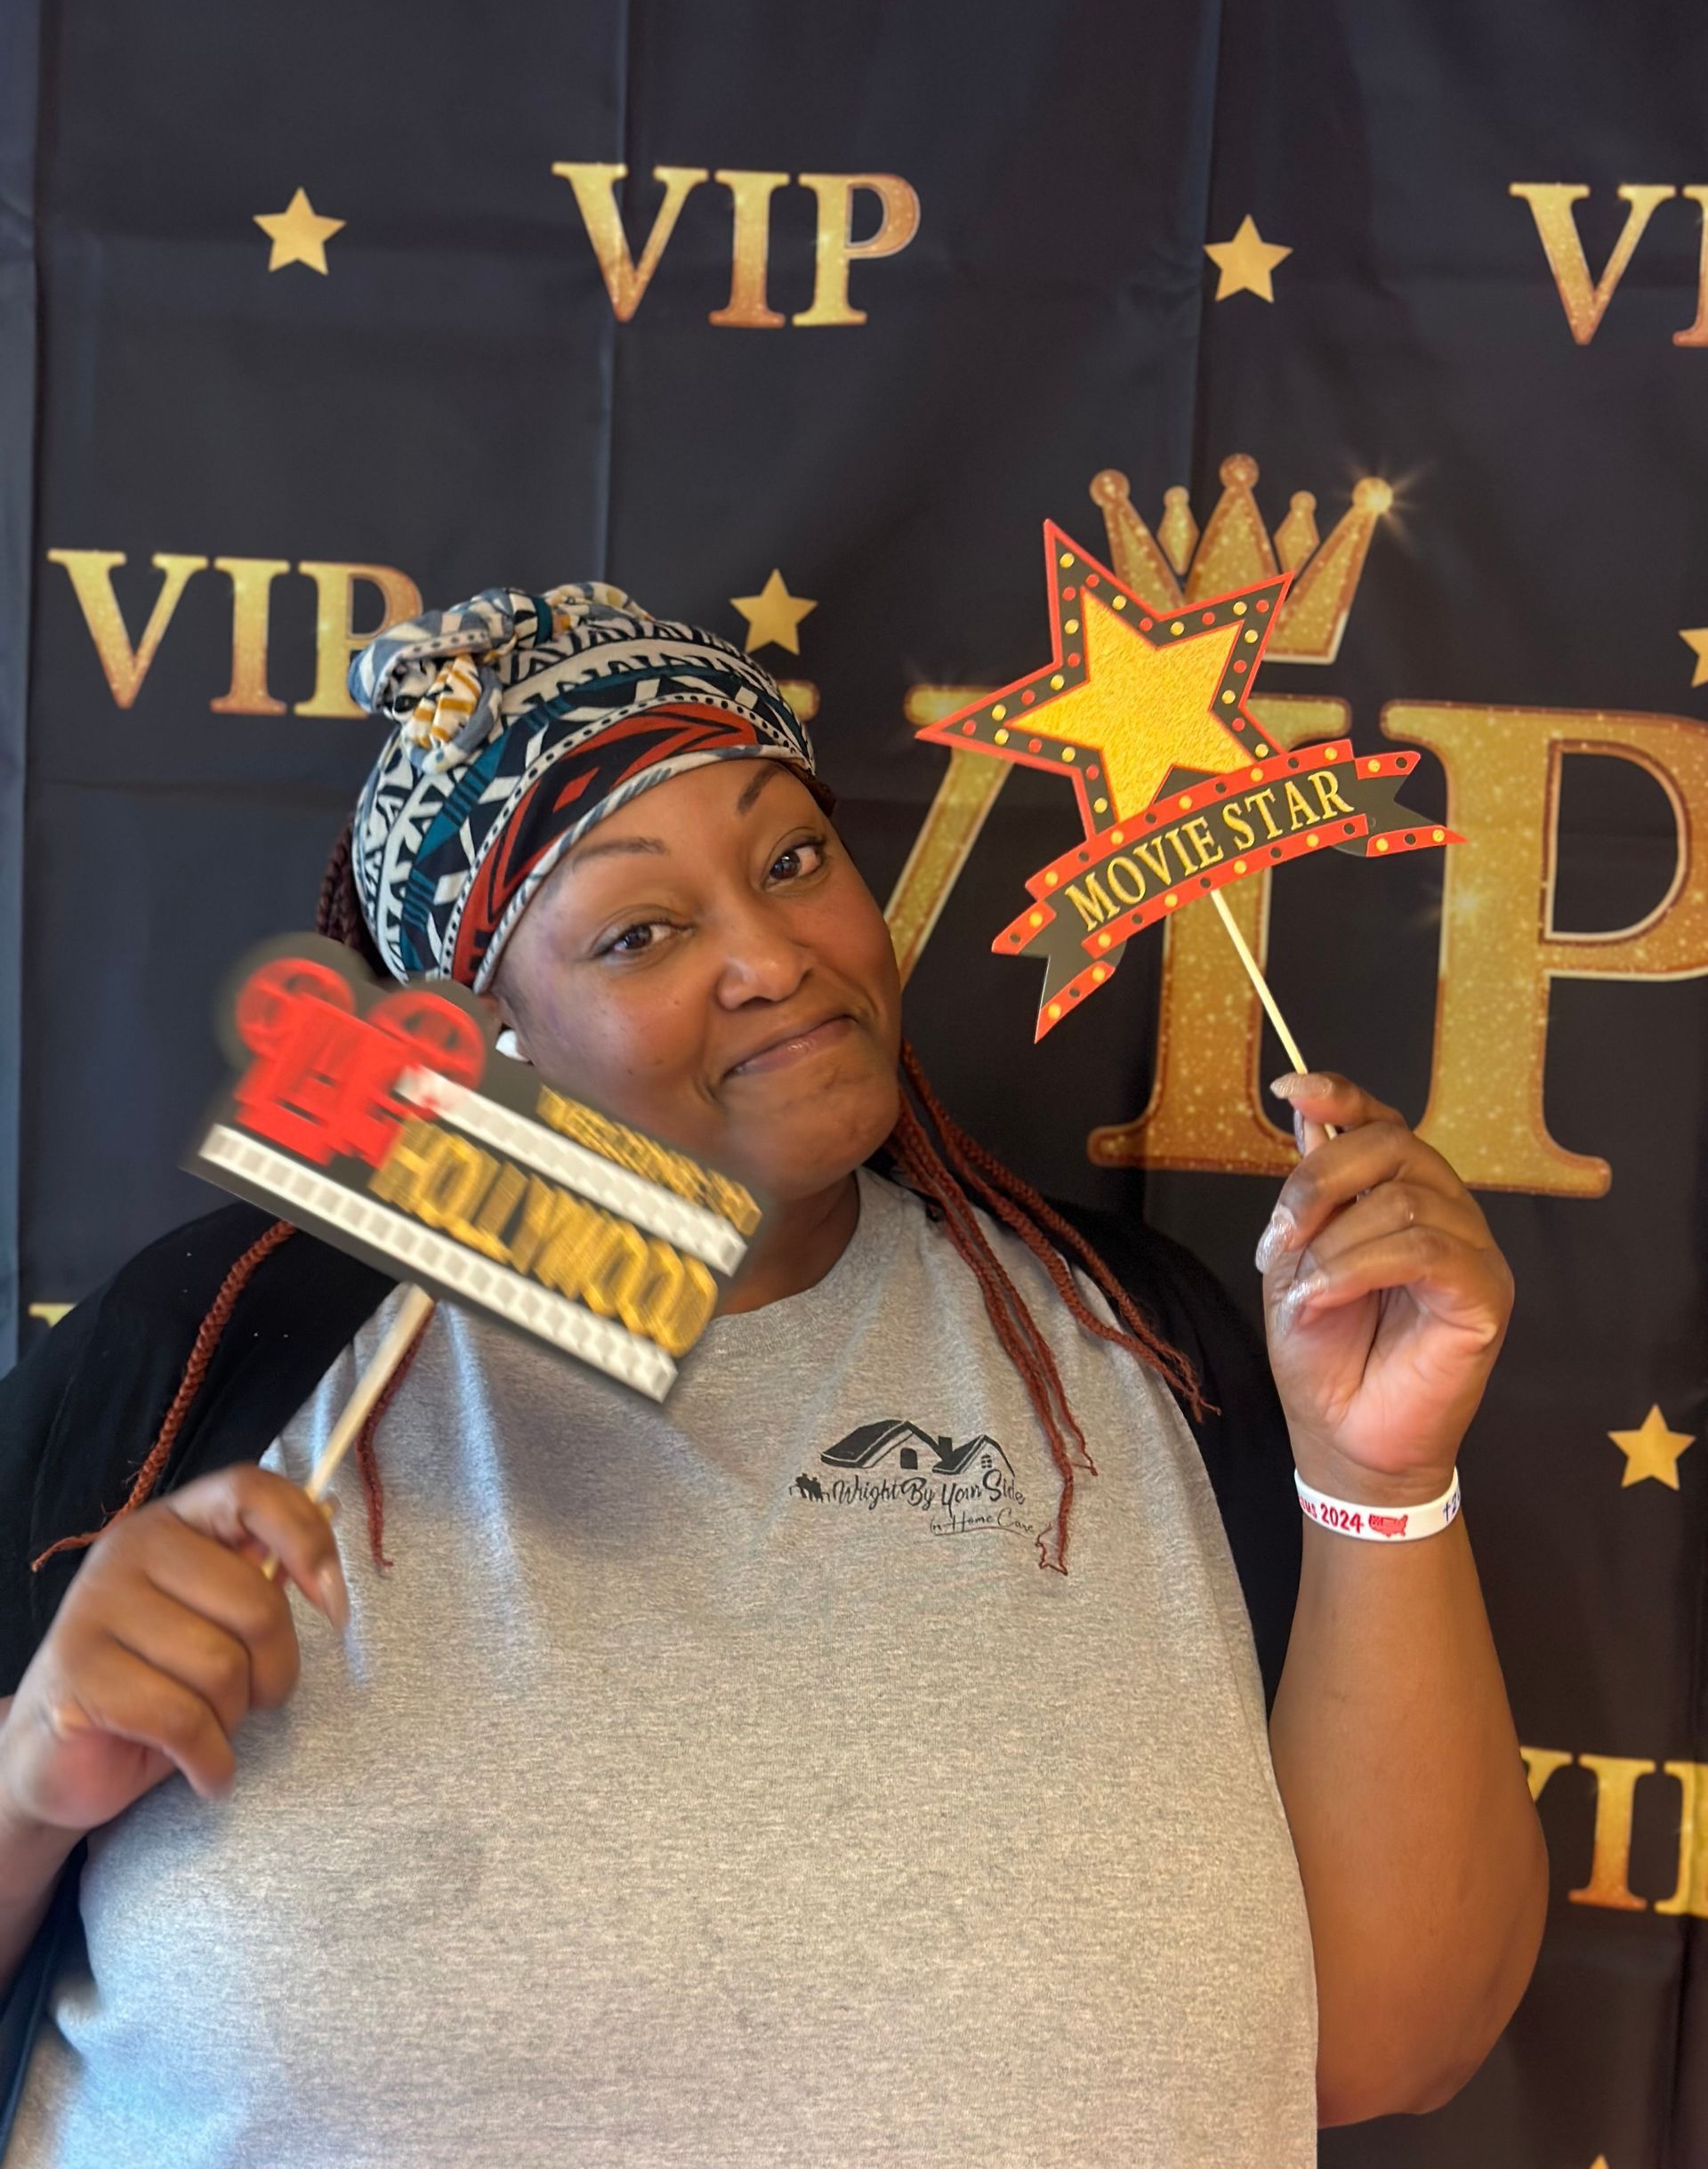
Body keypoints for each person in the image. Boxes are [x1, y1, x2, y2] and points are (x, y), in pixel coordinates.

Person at [0, 582, 1546, 2167]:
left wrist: (1380, 1475)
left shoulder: (1131, 1340)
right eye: (642, 932)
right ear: (484, 1031)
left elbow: (1386, 2044)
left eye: (793, 861)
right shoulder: (216, 1352)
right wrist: (29, 1789)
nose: (771, 958)